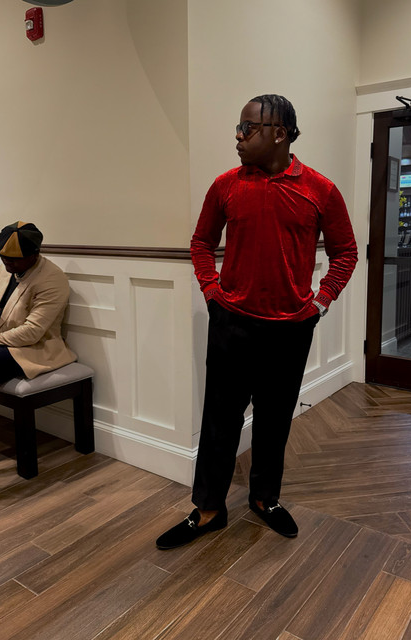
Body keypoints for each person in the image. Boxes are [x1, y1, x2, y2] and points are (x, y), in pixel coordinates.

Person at [156, 94, 357, 550]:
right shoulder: (225, 185)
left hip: (291, 328)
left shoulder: (320, 190)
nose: (238, 136)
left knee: (275, 419)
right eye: (240, 127)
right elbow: (201, 242)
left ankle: (265, 498)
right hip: (232, 323)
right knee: (219, 421)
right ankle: (208, 509)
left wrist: (321, 303)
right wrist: (212, 292)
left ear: (279, 134)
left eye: (247, 128)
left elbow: (346, 252)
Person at [0, 221, 76, 387]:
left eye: (13, 259)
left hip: (30, 348)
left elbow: (32, 332)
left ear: (35, 254)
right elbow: (1, 305)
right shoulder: (6, 267)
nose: (7, 262)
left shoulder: (52, 279)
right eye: (3, 257)